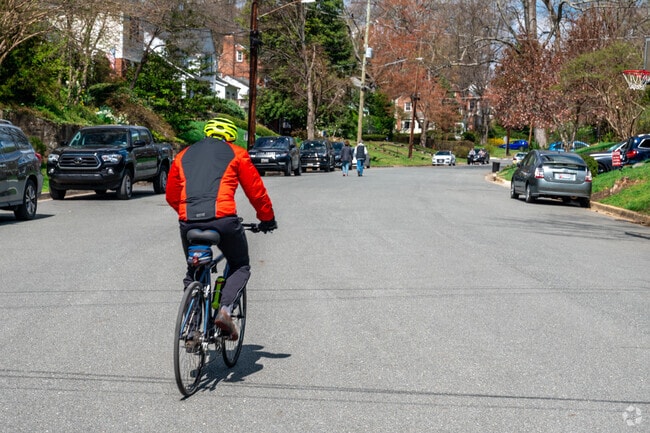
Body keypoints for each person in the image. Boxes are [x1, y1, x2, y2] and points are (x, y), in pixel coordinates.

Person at [166, 117, 277, 341]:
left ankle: (192, 324)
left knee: (194, 269)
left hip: (188, 222)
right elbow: (255, 191)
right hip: (223, 220)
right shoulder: (236, 153)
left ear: (206, 133)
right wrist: (267, 218)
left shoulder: (182, 155)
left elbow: (172, 195)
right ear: (229, 136)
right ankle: (225, 310)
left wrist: (189, 212)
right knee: (240, 265)